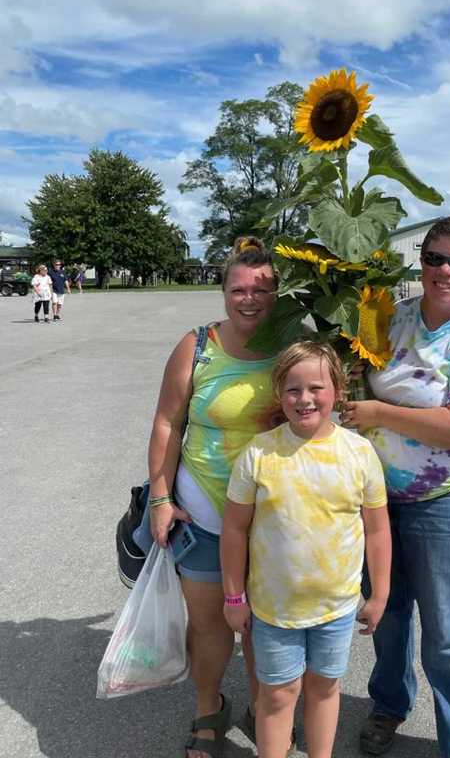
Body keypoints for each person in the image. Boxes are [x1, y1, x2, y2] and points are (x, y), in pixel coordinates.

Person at [341, 216, 450, 758]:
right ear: (422, 260)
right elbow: (349, 366)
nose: (445, 271)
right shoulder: (392, 321)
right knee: (386, 619)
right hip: (379, 503)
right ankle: (389, 706)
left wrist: (378, 413)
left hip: (447, 503)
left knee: (448, 635)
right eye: (436, 258)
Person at [222, 341, 391, 758]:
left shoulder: (359, 453)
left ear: (337, 388)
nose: (305, 399)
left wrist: (381, 592)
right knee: (278, 696)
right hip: (275, 610)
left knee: (324, 688)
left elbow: (376, 530)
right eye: (293, 389)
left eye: (316, 387)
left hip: (336, 608)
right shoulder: (259, 454)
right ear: (279, 393)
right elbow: (234, 529)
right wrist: (233, 597)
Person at [148, 236, 281, 758]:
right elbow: (167, 422)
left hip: (275, 517)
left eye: (262, 289)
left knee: (266, 628)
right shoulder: (197, 346)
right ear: (224, 291)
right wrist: (160, 496)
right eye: (238, 289)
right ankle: (209, 709)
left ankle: (264, 707)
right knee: (209, 626)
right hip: (203, 512)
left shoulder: (294, 344)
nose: (249, 298)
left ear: (278, 293)